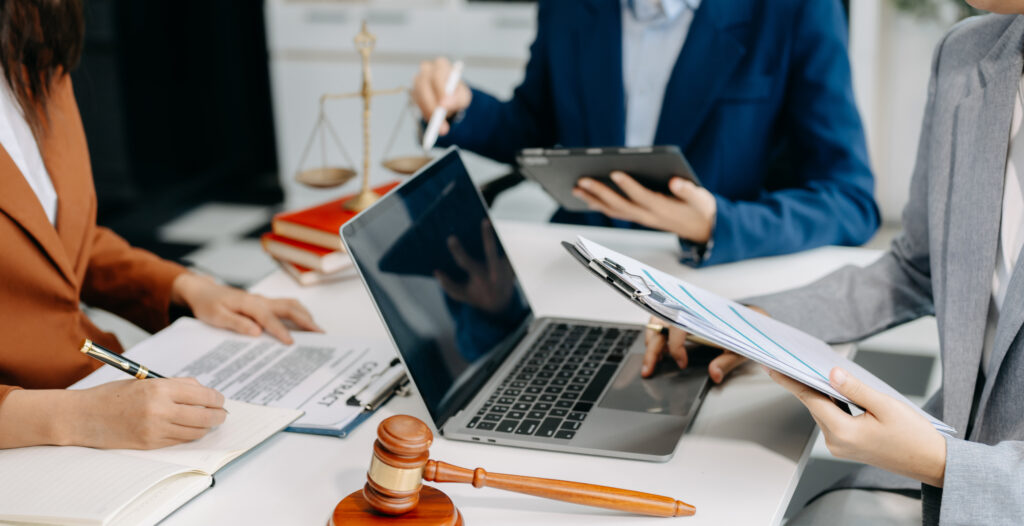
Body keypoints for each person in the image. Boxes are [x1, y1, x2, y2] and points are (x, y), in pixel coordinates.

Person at [646, 5, 1024, 523]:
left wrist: (942, 463)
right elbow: (916, 269)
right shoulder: (968, 55)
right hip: (934, 471)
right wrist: (754, 323)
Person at [0, 0, 320, 451]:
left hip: (101, 385)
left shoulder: (33, 40)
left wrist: (186, 288)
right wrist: (76, 418)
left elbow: (59, 243)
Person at [412, 0, 879, 266]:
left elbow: (850, 202)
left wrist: (718, 224)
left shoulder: (795, 10)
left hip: (712, 283)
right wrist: (463, 109)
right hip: (582, 263)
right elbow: (537, 129)